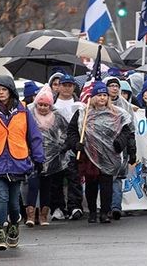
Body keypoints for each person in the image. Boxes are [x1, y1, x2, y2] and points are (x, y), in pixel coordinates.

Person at [0, 75, 44, 250]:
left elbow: (34, 136)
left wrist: (39, 158)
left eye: (4, 89)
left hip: (18, 161)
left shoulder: (23, 111)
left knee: (13, 202)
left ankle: (14, 224)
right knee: (1, 198)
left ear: (11, 91)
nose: (1, 93)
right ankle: (0, 233)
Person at [67, 81, 132, 224]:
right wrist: (76, 144)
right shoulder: (83, 113)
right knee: (91, 183)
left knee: (106, 184)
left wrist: (119, 143)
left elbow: (126, 130)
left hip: (110, 153)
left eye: (104, 95)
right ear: (93, 97)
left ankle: (104, 212)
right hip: (91, 154)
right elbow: (71, 131)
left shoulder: (116, 113)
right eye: (99, 95)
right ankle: (92, 212)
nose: (102, 98)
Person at [26, 85, 69, 227]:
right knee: (33, 185)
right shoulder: (30, 115)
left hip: (51, 159)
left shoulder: (57, 117)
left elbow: (65, 133)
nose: (43, 107)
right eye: (40, 104)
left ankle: (43, 216)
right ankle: (31, 215)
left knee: (46, 187)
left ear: (50, 106)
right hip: (33, 157)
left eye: (46, 105)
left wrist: (61, 146)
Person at [51, 74, 83, 221]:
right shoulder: (52, 104)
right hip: (56, 147)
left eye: (70, 85)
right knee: (56, 179)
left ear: (74, 87)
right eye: (64, 85)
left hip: (74, 146)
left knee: (74, 177)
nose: (66, 88)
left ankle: (75, 206)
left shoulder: (80, 105)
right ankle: (58, 208)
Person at [105, 77, 137, 221]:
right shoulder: (101, 102)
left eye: (116, 86)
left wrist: (132, 151)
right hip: (104, 146)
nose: (114, 88)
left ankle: (115, 207)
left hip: (120, 145)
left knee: (117, 178)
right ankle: (105, 208)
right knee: (105, 178)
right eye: (111, 85)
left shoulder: (125, 105)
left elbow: (130, 129)